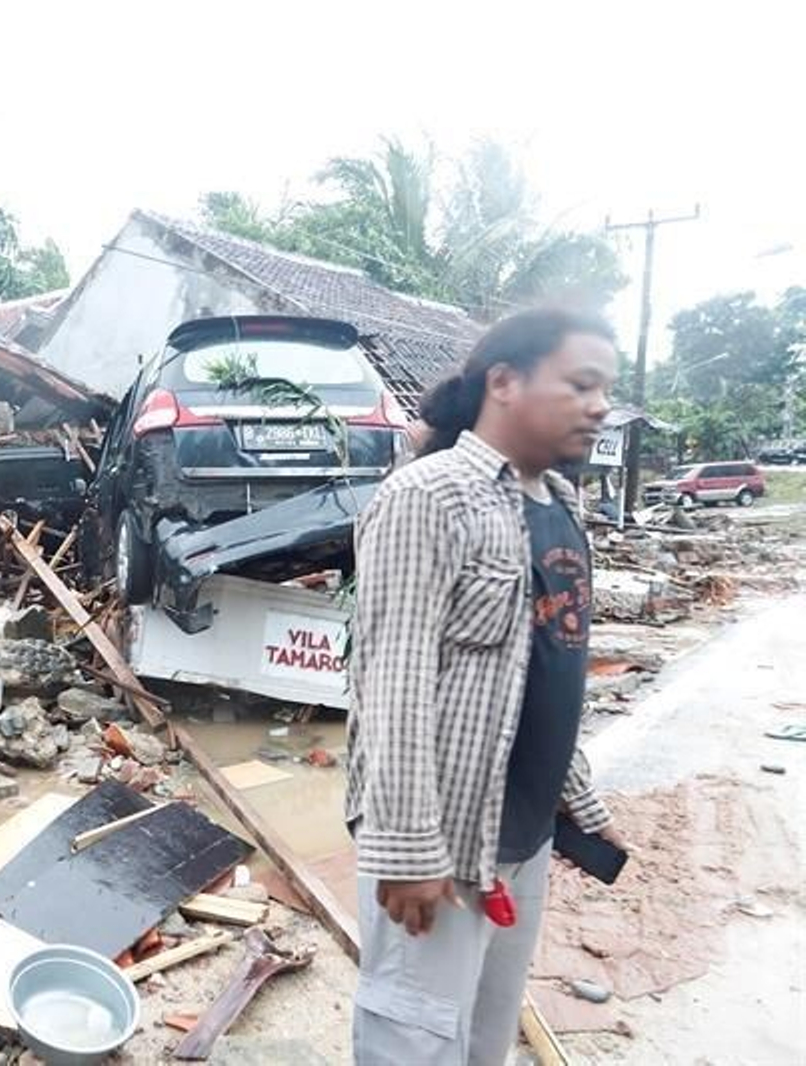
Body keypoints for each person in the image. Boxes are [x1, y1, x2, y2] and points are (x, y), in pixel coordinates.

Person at [345, 308, 631, 1065]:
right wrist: (408, 847)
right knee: (412, 1040)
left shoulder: (562, 506)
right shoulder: (427, 498)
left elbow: (552, 665)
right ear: (504, 381)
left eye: (606, 387)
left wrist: (581, 802)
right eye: (582, 383)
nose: (601, 405)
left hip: (521, 838)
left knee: (485, 1037)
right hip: (437, 841)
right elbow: (390, 678)